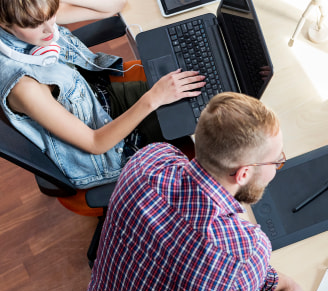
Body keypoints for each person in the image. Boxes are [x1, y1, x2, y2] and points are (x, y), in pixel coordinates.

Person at [75, 92, 308, 291]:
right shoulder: (240, 248)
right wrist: (287, 284)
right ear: (243, 174)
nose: (276, 168)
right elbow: (257, 281)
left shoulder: (148, 160)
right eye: (275, 162)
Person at [0, 0, 205, 189]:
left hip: (102, 101)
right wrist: (154, 98)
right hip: (114, 149)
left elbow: (113, 5)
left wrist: (49, 4)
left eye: (50, 15)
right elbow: (95, 143)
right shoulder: (25, 87)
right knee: (209, 123)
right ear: (3, 23)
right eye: (35, 24)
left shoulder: (36, 15)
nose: (49, 29)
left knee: (203, 85)